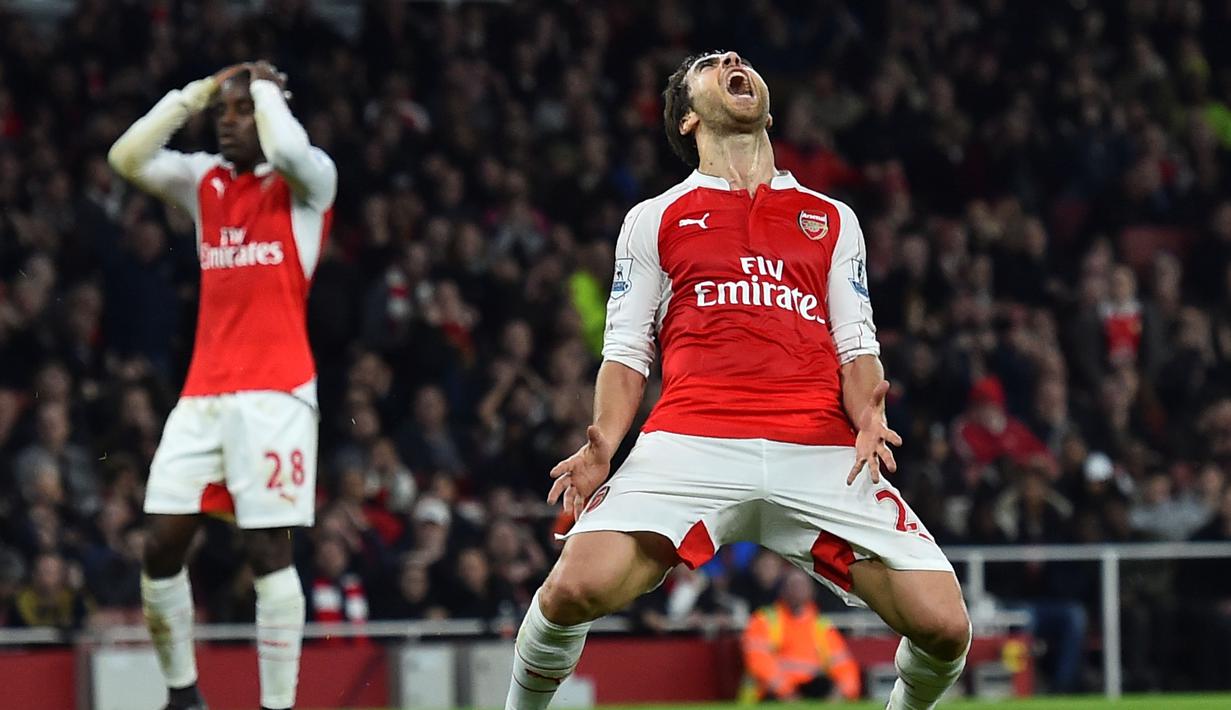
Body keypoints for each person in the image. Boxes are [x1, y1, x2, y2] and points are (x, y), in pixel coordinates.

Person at [504, 51, 970, 710]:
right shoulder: (653, 220)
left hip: (818, 451)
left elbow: (855, 344)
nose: (730, 59)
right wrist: (604, 443)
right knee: (569, 591)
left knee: (946, 626)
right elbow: (627, 351)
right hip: (691, 441)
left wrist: (867, 411)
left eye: (737, 59)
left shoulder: (832, 219)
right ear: (688, 117)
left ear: (768, 109)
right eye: (706, 64)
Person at [108, 60, 336, 710]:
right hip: (203, 393)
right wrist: (195, 94)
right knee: (160, 544)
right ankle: (183, 695)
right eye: (223, 115)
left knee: (267, 551)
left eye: (240, 112)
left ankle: (276, 705)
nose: (228, 123)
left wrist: (263, 86)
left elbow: (290, 147)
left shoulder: (308, 182)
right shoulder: (203, 180)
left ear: (268, 113)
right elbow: (126, 156)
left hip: (276, 394)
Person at [741, 568, 861, 702]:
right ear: (783, 590)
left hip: (811, 692)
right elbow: (759, 662)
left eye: (802, 585)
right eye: (794, 585)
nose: (798, 589)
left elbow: (844, 666)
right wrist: (788, 694)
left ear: (812, 591)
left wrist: (840, 694)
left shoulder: (821, 626)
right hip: (770, 696)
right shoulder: (764, 620)